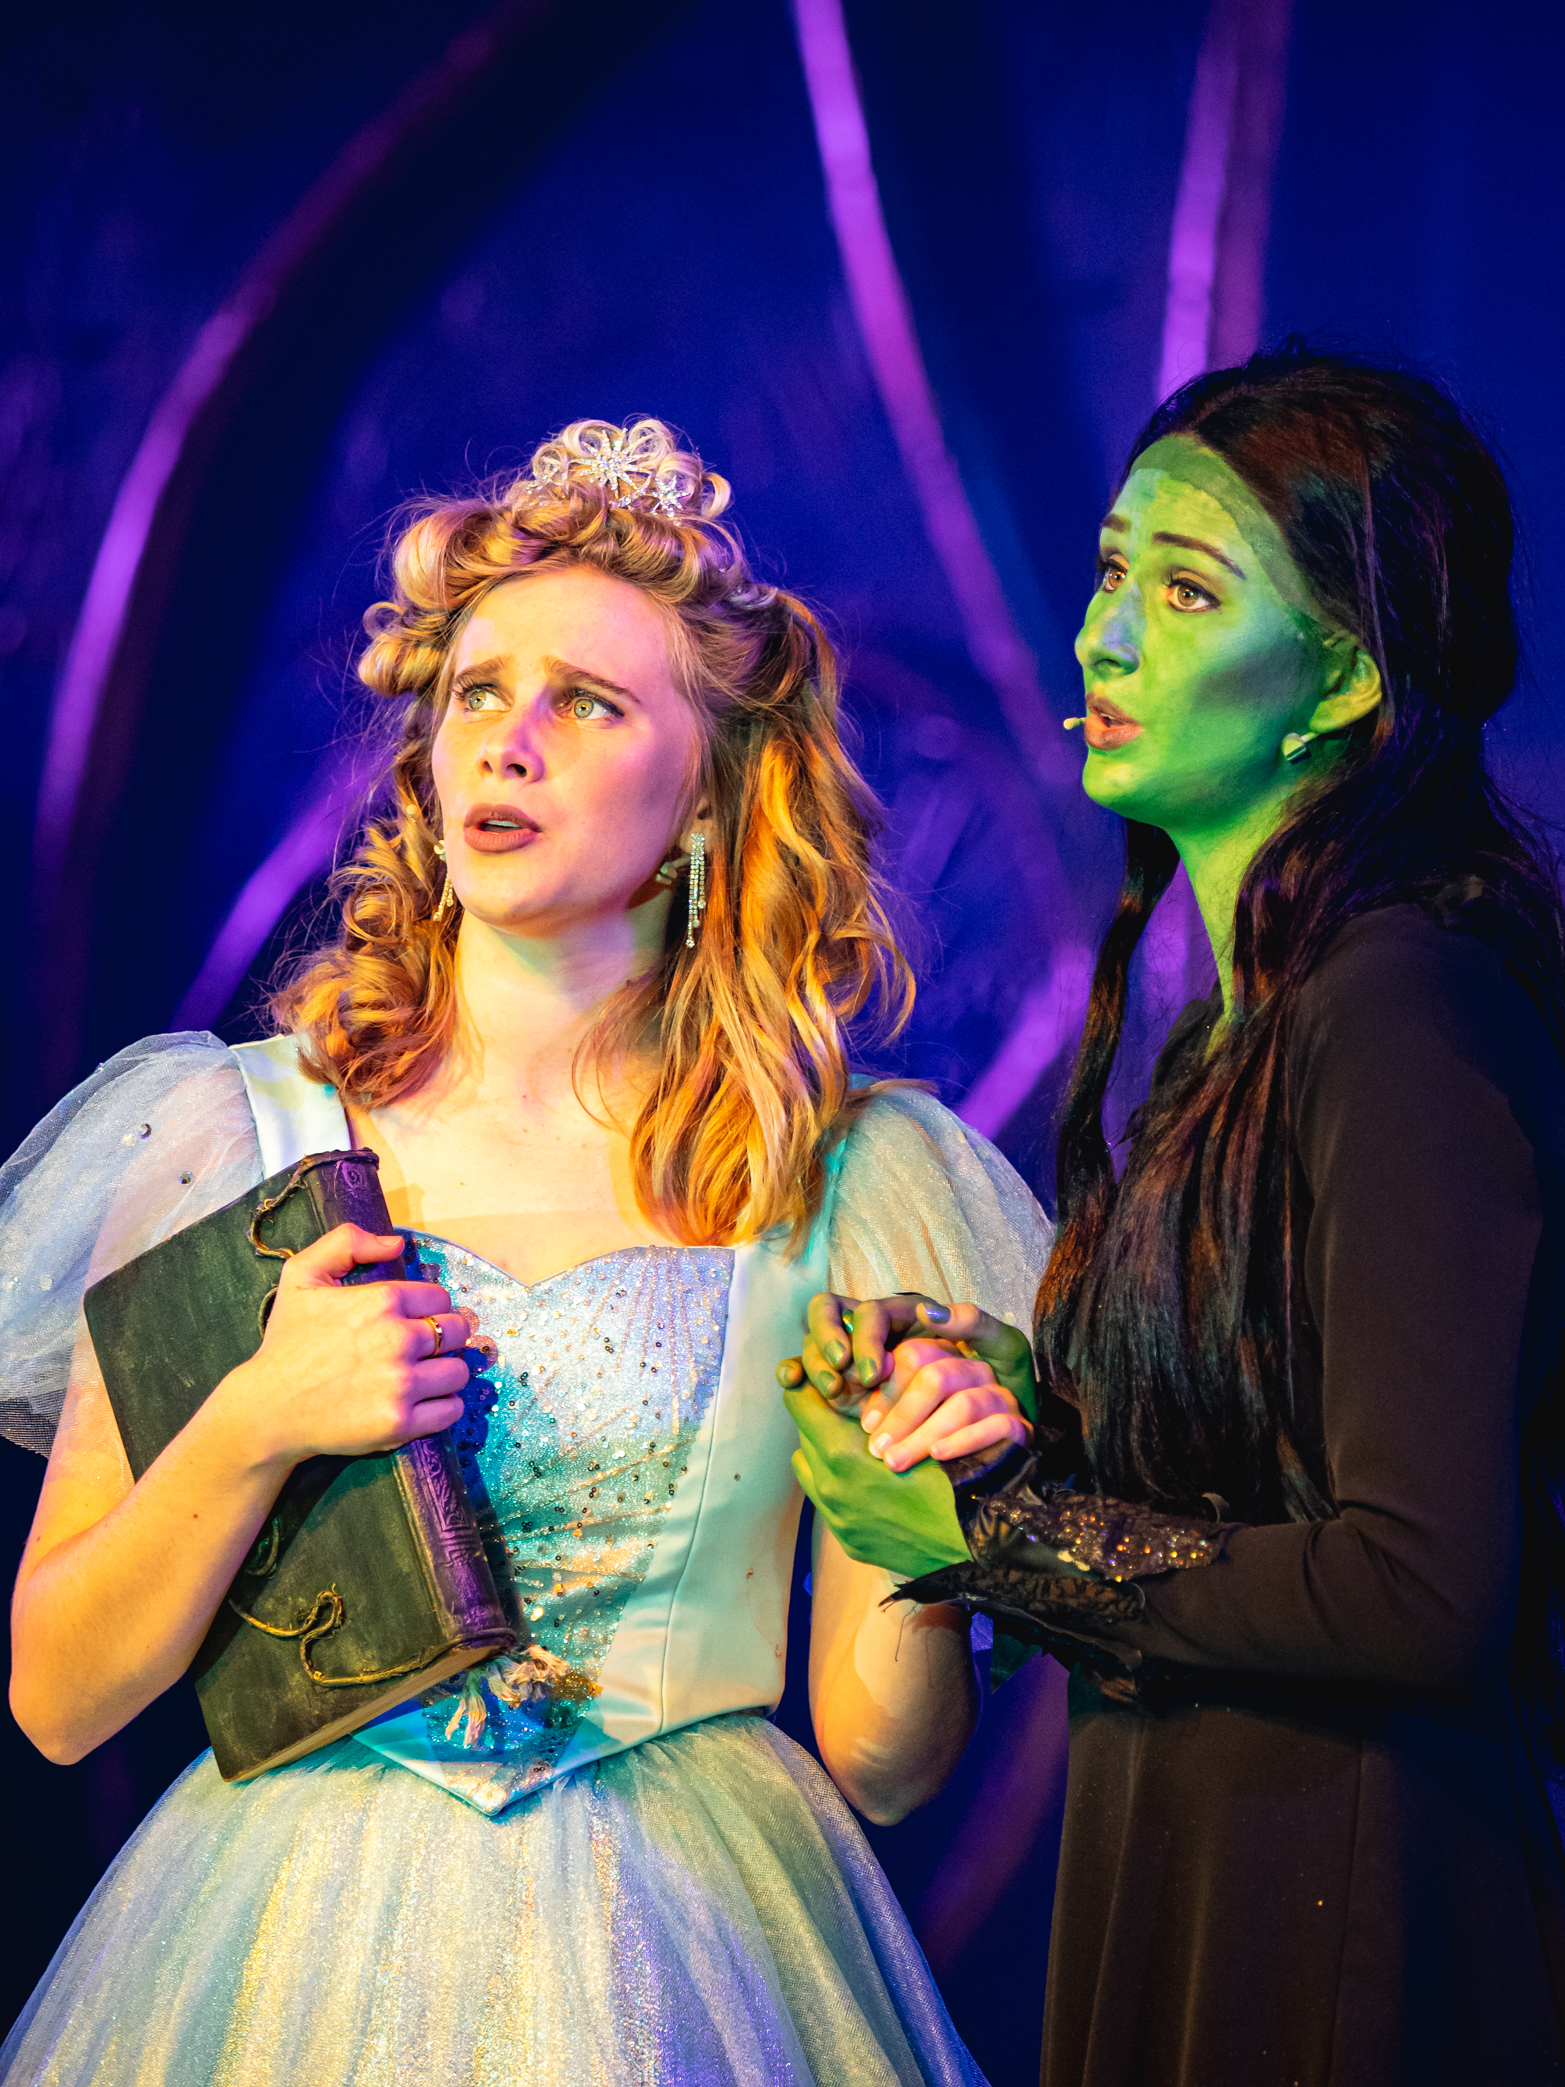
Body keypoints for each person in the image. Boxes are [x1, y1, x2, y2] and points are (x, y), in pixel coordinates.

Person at [0, 419, 1049, 2085]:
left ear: (706, 796)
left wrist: (922, 1517)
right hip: (283, 1942)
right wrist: (257, 1418)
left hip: (685, 1939)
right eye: (478, 693)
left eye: (589, 703)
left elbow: (886, 1766)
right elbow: (58, 1697)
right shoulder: (235, 1137)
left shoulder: (839, 1179)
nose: (509, 740)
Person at [782, 348, 1565, 2086]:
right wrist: (1008, 1402)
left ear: (1342, 678)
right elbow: (1247, 1473)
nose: (1105, 637)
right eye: (1110, 572)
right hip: (1201, 1859)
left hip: (1353, 1911)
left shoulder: (1400, 1004)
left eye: (1187, 591)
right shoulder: (1239, 1033)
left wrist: (999, 1538)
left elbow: (1419, 1584)